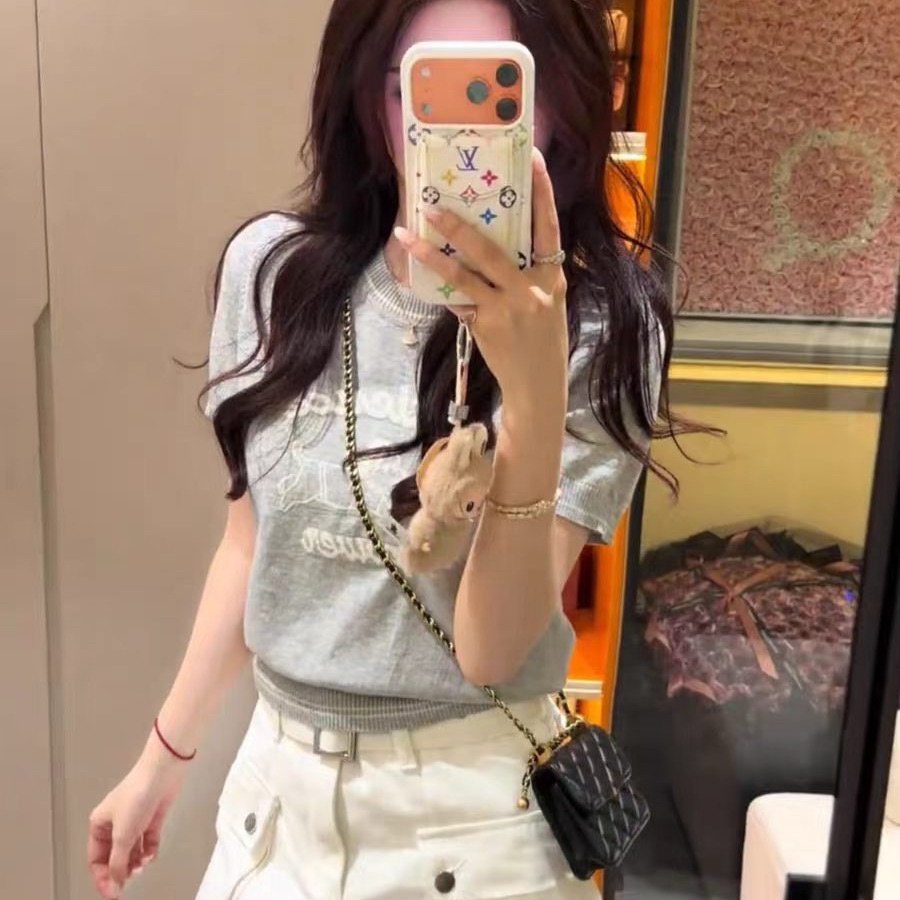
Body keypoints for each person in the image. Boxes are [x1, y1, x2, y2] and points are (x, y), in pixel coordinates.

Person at [87, 0, 675, 897]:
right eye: (426, 88)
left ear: (560, 101)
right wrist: (161, 758)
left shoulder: (604, 326)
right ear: (371, 97)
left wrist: (534, 396)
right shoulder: (278, 275)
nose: (460, 132)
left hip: (470, 822)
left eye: (501, 90)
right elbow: (251, 545)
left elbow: (488, 651)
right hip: (274, 809)